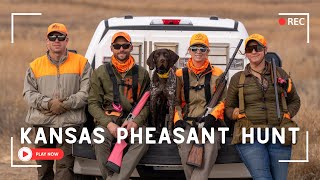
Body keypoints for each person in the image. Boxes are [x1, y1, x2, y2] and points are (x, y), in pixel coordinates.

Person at [225, 33, 301, 180]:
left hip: (279, 134)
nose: (254, 52)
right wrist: (235, 113)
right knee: (262, 178)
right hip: (250, 135)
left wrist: (287, 115)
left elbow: (295, 101)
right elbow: (228, 107)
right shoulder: (238, 78)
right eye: (249, 49)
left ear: (265, 50)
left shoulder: (280, 73)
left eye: (257, 47)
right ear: (246, 53)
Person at [23, 23, 92, 180]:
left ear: (67, 40)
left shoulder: (82, 63)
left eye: (60, 36)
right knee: (43, 169)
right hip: (43, 124)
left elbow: (86, 92)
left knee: (65, 168)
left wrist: (65, 104)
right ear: (46, 41)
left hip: (70, 124)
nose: (56, 40)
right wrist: (48, 104)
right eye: (52, 37)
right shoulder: (35, 65)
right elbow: (28, 93)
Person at [88, 32, 150, 180]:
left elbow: (147, 104)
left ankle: (117, 178)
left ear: (131, 47)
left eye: (125, 45)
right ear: (111, 48)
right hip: (109, 120)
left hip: (133, 121)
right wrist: (108, 124)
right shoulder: (100, 72)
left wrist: (136, 122)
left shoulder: (142, 73)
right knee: (98, 137)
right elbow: (93, 103)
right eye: (117, 46)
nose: (121, 49)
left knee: (144, 138)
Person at [173, 33, 226, 180]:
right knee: (185, 145)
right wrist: (177, 120)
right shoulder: (179, 74)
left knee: (211, 146)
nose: (198, 52)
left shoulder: (218, 74)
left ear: (208, 51)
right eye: (194, 48)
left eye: (202, 48)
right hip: (187, 122)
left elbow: (223, 100)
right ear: (189, 51)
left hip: (209, 122)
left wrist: (212, 116)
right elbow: (175, 102)